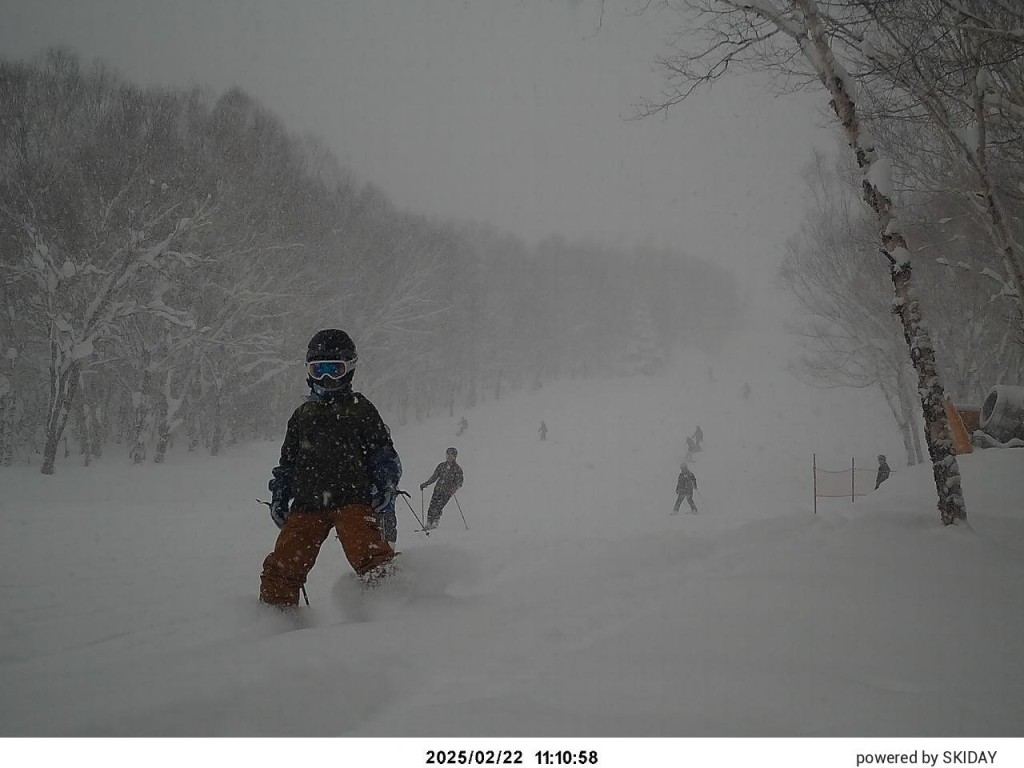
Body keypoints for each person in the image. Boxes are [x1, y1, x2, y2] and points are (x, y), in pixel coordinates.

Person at [259, 329, 401, 607]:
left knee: (369, 554)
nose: (325, 378)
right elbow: (287, 463)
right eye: (318, 369)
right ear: (309, 372)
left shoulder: (360, 410)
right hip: (307, 503)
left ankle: (391, 605)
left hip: (353, 500)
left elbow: (383, 454)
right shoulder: (302, 416)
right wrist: (279, 495)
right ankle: (275, 618)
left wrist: (386, 485)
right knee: (285, 563)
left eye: (333, 370)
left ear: (348, 370)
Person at [420, 446, 464, 529]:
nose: (449, 457)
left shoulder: (457, 469)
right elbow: (434, 477)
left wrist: (453, 488)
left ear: (455, 457)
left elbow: (460, 482)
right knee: (432, 506)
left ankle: (435, 522)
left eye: (451, 455)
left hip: (447, 492)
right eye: (448, 454)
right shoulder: (441, 466)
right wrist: (426, 484)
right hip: (437, 489)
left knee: (439, 506)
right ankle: (429, 523)